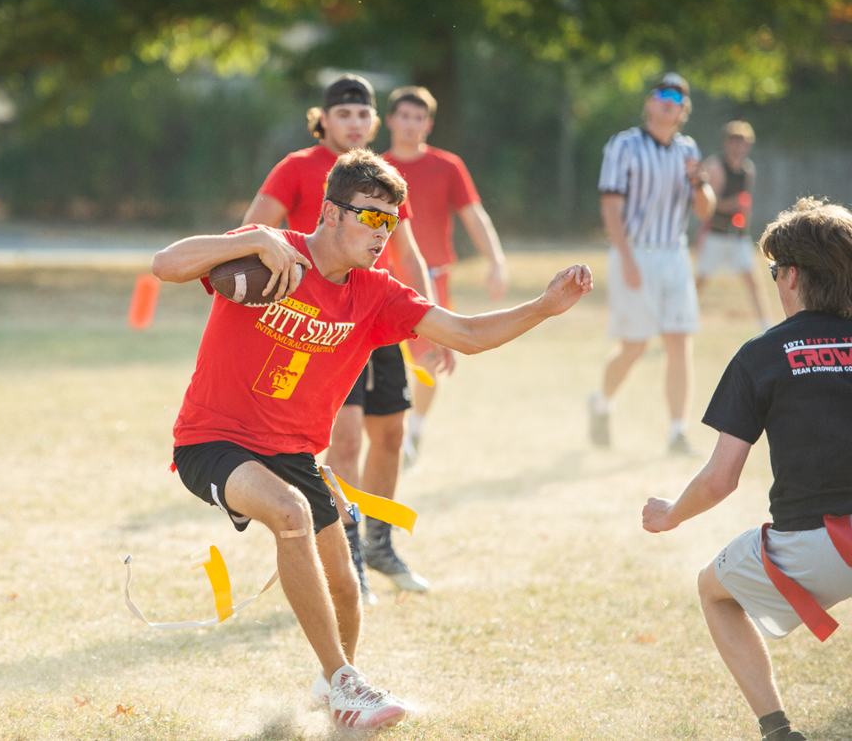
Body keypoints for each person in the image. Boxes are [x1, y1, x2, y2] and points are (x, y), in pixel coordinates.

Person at [154, 148, 592, 730]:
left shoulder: (377, 294)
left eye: (393, 221)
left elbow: (464, 334)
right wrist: (252, 242)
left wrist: (544, 307)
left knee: (344, 576)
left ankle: (333, 684)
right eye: (373, 217)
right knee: (290, 515)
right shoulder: (271, 247)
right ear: (332, 213)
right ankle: (346, 684)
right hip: (212, 441)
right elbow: (166, 263)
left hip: (291, 452)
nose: (384, 232)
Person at [642, 197, 852, 741]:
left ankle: (778, 730)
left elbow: (720, 479)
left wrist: (671, 515)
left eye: (774, 269)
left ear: (792, 276)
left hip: (820, 546)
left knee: (714, 590)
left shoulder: (762, 353)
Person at [242, 74, 438, 602]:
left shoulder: (380, 175)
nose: (354, 122)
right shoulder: (296, 167)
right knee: (345, 440)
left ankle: (379, 543)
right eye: (343, 113)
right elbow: (248, 234)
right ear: (323, 118)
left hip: (378, 314)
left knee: (391, 435)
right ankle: (346, 550)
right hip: (323, 326)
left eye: (362, 114)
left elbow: (409, 253)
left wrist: (429, 325)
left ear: (375, 122)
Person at [588, 73, 715, 454]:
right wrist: (626, 258)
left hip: (673, 253)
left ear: (683, 109)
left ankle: (677, 431)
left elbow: (706, 209)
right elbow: (611, 206)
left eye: (676, 96)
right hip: (635, 250)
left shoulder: (687, 150)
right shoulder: (625, 145)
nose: (667, 101)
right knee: (635, 346)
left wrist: (699, 182)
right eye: (661, 93)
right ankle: (601, 402)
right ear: (648, 102)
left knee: (679, 342)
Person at [382, 85, 509, 462]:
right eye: (403, 116)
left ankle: (414, 431)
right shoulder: (375, 167)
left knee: (428, 359)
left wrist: (496, 261)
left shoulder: (448, 166)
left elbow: (474, 216)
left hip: (432, 277)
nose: (410, 124)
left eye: (418, 117)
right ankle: (389, 430)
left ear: (429, 124)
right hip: (384, 277)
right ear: (390, 120)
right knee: (385, 359)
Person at [696, 121, 770, 331]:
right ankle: (683, 318)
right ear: (727, 143)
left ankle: (765, 324)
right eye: (734, 142)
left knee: (752, 279)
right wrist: (731, 204)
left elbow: (744, 203)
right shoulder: (716, 167)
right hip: (716, 233)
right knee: (701, 280)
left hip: (737, 235)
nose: (738, 147)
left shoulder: (748, 170)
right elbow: (707, 204)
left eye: (743, 143)